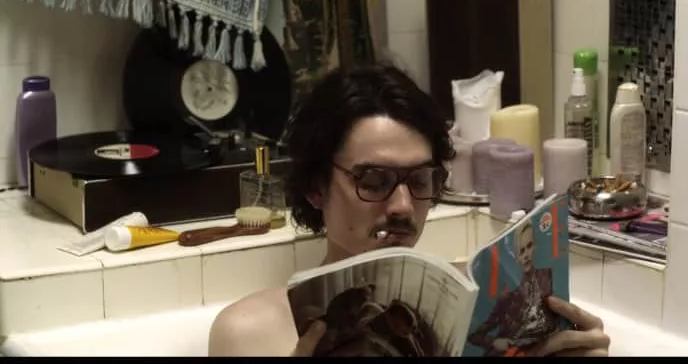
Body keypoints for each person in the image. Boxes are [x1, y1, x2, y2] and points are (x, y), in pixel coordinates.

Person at [208, 63, 611, 357]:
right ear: (316, 187)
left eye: (418, 181)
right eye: (373, 181)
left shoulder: (478, 304)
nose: (403, 206)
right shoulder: (251, 333)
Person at [467, 222, 558, 356]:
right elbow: (474, 336)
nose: (526, 255)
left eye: (529, 246)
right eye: (521, 251)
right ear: (516, 258)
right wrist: (493, 342)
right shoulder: (507, 299)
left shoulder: (546, 277)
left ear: (535, 246)